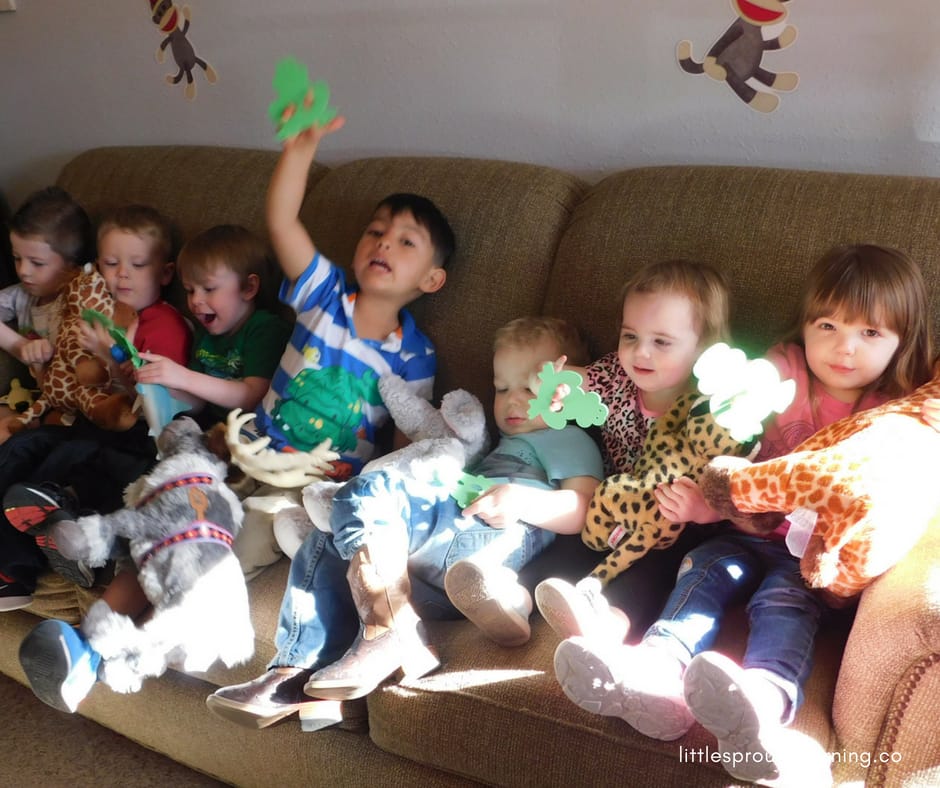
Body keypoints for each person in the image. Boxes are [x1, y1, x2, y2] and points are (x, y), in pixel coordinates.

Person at [552, 244, 933, 785]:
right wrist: (707, 507)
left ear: (902, 341)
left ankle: (763, 695)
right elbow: (723, 426)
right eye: (827, 325)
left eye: (870, 334)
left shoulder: (892, 406)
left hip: (806, 552)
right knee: (702, 570)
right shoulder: (783, 369)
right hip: (739, 528)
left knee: (782, 599)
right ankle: (656, 670)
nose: (843, 349)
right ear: (805, 325)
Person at [205, 316, 604, 729]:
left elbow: (584, 509)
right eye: (502, 388)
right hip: (425, 580)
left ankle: (389, 629)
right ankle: (294, 675)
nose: (512, 401)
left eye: (530, 389)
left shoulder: (566, 438)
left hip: (478, 547)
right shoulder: (494, 446)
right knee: (322, 545)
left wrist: (522, 500)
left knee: (367, 491)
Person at [529, 259, 732, 643]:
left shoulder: (712, 408)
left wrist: (701, 510)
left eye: (661, 342)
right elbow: (580, 379)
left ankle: (608, 626)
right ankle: (513, 598)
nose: (641, 353)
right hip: (609, 507)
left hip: (673, 523)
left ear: (705, 349)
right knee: (571, 544)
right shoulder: (617, 377)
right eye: (630, 337)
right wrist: (554, 385)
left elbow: (732, 477)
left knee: (656, 569)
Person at [0, 204, 191, 608]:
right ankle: (10, 570)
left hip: (137, 439)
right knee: (19, 449)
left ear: (166, 273)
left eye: (137, 264)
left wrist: (110, 358)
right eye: (110, 262)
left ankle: (57, 541)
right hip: (85, 423)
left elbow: (157, 405)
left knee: (72, 458)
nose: (121, 273)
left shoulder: (165, 324)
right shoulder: (92, 311)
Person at [247, 114, 453, 481]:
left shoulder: (416, 357)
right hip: (254, 450)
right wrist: (299, 151)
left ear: (432, 279)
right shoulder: (326, 293)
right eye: (375, 231)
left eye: (406, 241)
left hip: (322, 488)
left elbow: (408, 437)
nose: (384, 241)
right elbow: (282, 223)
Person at [132, 223, 292, 429]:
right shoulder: (205, 335)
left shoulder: (266, 329)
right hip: (210, 428)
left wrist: (183, 377)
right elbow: (196, 404)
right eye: (189, 290)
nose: (196, 300)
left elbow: (252, 396)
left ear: (249, 288)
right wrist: (158, 381)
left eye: (209, 288)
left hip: (251, 433)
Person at [0, 187, 93, 388]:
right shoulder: (21, 295)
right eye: (17, 258)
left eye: (37, 263)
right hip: (43, 396)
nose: (23, 271)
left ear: (72, 265)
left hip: (79, 398)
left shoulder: (81, 299)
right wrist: (21, 346)